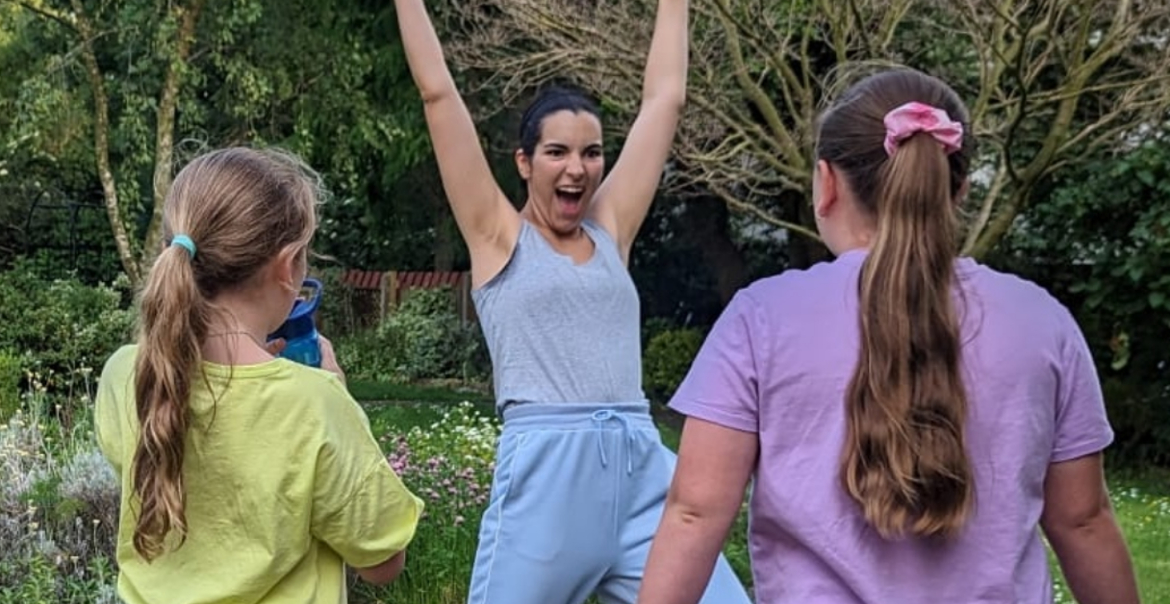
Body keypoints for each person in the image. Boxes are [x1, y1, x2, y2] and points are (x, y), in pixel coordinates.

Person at [634, 67, 1141, 604]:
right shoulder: (1041, 321)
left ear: (826, 184)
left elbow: (696, 512)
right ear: (959, 190)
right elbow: (1082, 520)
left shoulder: (763, 318)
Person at [392, 1, 750, 603]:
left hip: (640, 471)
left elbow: (665, 98)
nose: (578, 169)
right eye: (557, 152)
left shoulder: (611, 228)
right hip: (549, 483)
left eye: (592, 152)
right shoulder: (497, 236)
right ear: (525, 162)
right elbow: (438, 94)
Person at [94, 147, 424, 604]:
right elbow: (382, 562)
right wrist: (339, 398)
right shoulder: (314, 403)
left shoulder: (124, 373)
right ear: (288, 266)